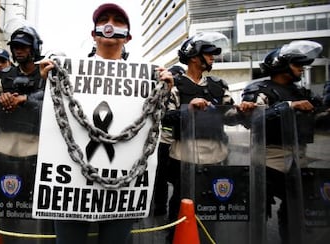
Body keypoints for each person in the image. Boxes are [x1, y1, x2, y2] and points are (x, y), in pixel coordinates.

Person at [38, 3, 174, 244]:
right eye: (104, 20)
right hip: (71, 183)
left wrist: (166, 88)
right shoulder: (68, 71)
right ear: (94, 33)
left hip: (122, 187)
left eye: (117, 21)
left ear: (128, 36)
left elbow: (159, 117)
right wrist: (47, 81)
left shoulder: (148, 76)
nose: (110, 25)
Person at [161, 32, 254, 242]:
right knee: (181, 209)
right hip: (184, 157)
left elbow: (229, 116)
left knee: (211, 210)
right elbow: (165, 117)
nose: (213, 58)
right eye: (209, 54)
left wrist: (243, 111)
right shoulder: (173, 84)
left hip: (216, 158)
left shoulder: (218, 86)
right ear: (194, 56)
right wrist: (189, 109)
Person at [241, 40, 323, 244]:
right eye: (297, 65)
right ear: (282, 65)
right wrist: (288, 106)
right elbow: (251, 120)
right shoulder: (259, 88)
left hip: (299, 159)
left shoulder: (302, 91)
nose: (301, 69)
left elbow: (318, 117)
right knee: (257, 213)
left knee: (295, 213)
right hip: (268, 159)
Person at [0, 25, 53, 243]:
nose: (18, 50)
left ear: (34, 47)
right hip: (6, 147)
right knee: (8, 203)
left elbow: (54, 102)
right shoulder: (2, 75)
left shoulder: (47, 72)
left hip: (38, 148)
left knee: (39, 205)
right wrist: (0, 100)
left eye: (23, 46)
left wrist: (26, 99)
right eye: (15, 46)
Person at [153, 65, 185, 216]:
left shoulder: (181, 92)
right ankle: (160, 208)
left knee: (177, 180)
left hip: (179, 144)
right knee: (161, 177)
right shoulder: (165, 92)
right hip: (164, 143)